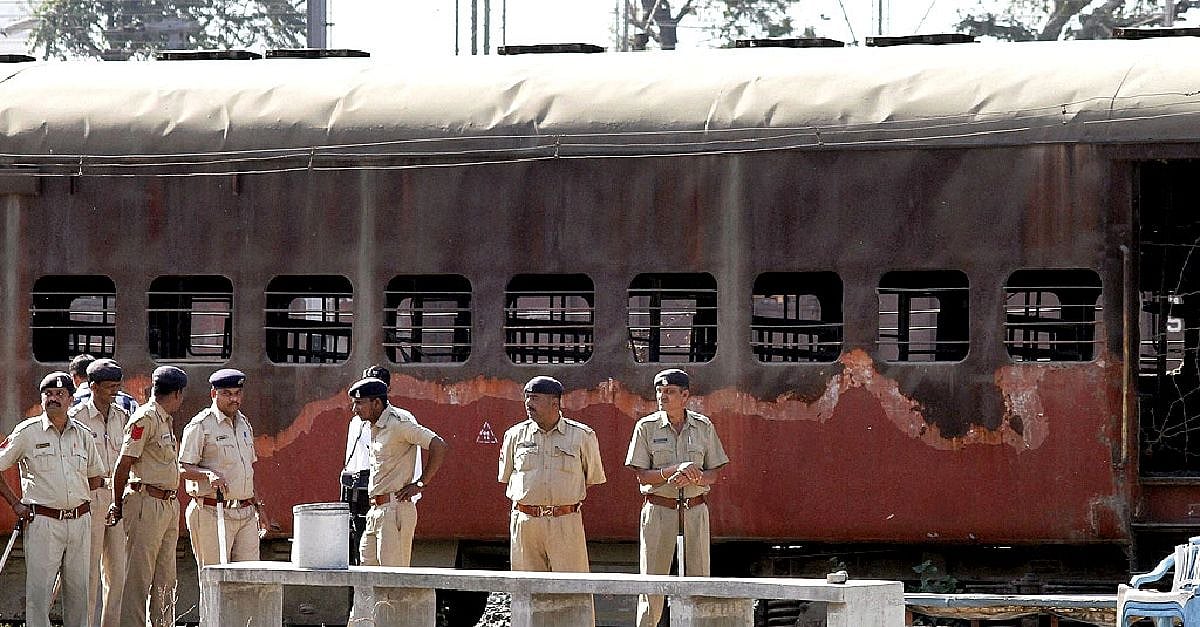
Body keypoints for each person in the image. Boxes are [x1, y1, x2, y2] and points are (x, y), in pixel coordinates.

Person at [625, 368, 729, 627]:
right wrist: (673, 471)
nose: (663, 396)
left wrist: (694, 477)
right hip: (659, 510)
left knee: (698, 581)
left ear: (685, 396)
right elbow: (642, 475)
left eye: (670, 392)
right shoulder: (646, 427)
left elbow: (714, 473)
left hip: (695, 510)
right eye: (660, 391)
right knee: (652, 583)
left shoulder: (703, 426)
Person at [0, 372, 105, 627]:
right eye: (48, 394)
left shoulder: (83, 434)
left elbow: (95, 477)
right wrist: (15, 503)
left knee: (79, 593)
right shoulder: (27, 432)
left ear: (71, 399)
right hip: (43, 522)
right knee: (39, 594)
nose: (53, 398)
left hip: (79, 521)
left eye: (60, 394)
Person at [498, 376, 606, 623]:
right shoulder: (514, 435)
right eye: (527, 398)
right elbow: (507, 476)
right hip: (525, 522)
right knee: (526, 590)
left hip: (565, 521)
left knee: (573, 589)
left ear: (554, 403)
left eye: (535, 398)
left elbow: (592, 478)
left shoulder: (582, 436)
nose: (528, 404)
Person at [178, 368, 266, 623]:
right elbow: (182, 467)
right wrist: (207, 474)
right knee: (215, 582)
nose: (234, 399)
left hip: (246, 512)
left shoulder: (244, 423)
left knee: (249, 580)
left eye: (238, 393)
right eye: (227, 393)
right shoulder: (201, 425)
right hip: (211, 511)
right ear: (213, 394)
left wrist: (261, 507)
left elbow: (249, 470)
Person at [108, 366, 187, 627]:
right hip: (145, 502)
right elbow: (123, 464)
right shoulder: (145, 418)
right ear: (177, 394)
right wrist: (117, 504)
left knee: (166, 577)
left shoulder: (164, 419)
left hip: (167, 503)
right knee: (138, 578)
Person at [350, 376, 448, 567]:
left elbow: (438, 445)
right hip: (376, 511)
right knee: (367, 573)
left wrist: (421, 483)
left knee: (392, 576)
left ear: (376, 403)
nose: (355, 409)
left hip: (394, 510)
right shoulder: (373, 427)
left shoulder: (399, 424)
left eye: (360, 403)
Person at [67, 359, 130, 627]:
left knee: (118, 573)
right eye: (109, 387)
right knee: (89, 571)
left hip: (116, 497)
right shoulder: (76, 418)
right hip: (89, 497)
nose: (115, 391)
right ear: (93, 386)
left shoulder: (122, 416)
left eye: (117, 386)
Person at [342, 365, 390, 565]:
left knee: (386, 552)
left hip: (383, 490)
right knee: (360, 547)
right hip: (358, 489)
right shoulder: (357, 422)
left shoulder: (398, 420)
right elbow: (351, 456)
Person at [69, 353, 138, 415]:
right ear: (94, 387)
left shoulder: (71, 402)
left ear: (75, 377)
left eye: (117, 386)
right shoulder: (129, 402)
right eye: (111, 386)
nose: (115, 391)